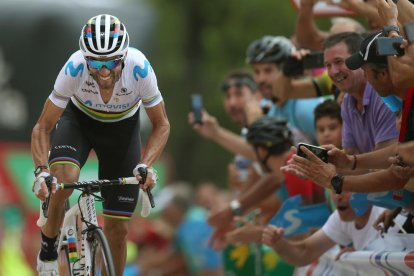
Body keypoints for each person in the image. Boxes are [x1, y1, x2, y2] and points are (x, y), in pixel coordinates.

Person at [31, 14, 170, 275]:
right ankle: (48, 248)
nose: (104, 72)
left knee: (118, 229)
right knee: (64, 179)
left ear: (124, 57)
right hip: (79, 124)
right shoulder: (74, 68)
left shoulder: (139, 69)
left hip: (122, 132)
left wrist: (146, 165)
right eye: (95, 62)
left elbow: (162, 124)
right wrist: (42, 171)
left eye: (111, 63)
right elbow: (42, 126)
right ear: (85, 59)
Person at [261, 191, 405, 267]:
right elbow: (305, 252)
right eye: (334, 186)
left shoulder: (389, 209)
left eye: (346, 187)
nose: (338, 196)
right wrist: (279, 244)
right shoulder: (339, 218)